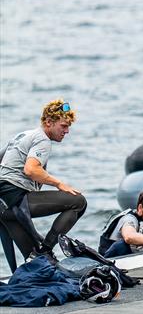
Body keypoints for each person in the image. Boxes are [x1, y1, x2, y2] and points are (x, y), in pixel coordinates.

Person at [0, 99, 86, 266]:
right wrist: (59, 184)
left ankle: (40, 254)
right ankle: (46, 248)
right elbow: (31, 170)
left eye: (68, 126)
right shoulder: (42, 140)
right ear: (48, 122)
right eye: (63, 126)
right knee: (78, 202)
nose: (67, 131)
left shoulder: (23, 135)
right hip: (14, 199)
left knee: (38, 264)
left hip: (3, 208)